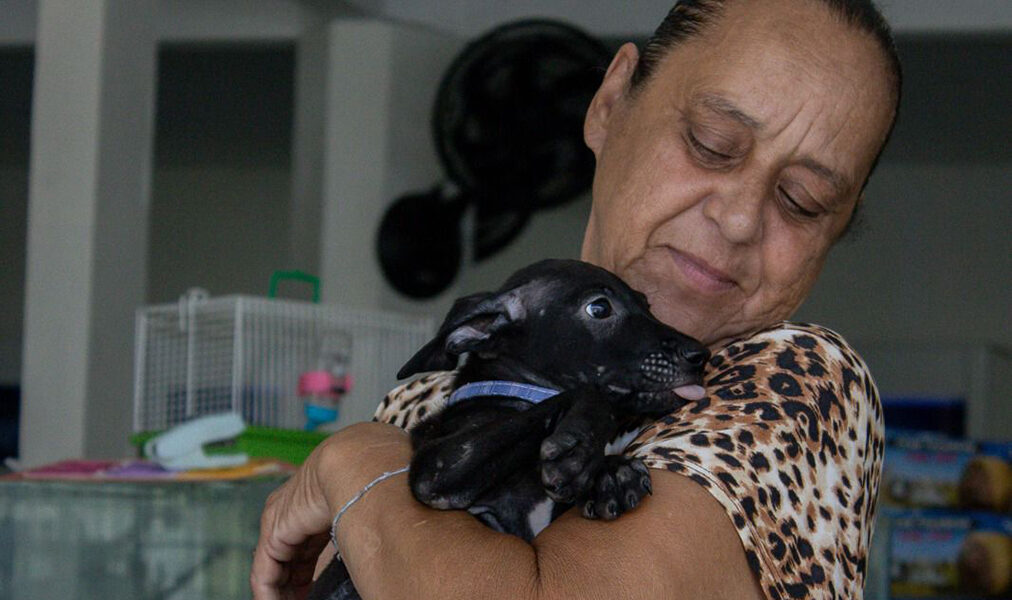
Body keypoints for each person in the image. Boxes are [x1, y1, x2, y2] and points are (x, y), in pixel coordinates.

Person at [251, 0, 901, 597]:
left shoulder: (798, 383)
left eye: (802, 201)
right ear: (609, 103)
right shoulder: (427, 396)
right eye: (711, 144)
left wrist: (355, 459)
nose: (738, 220)